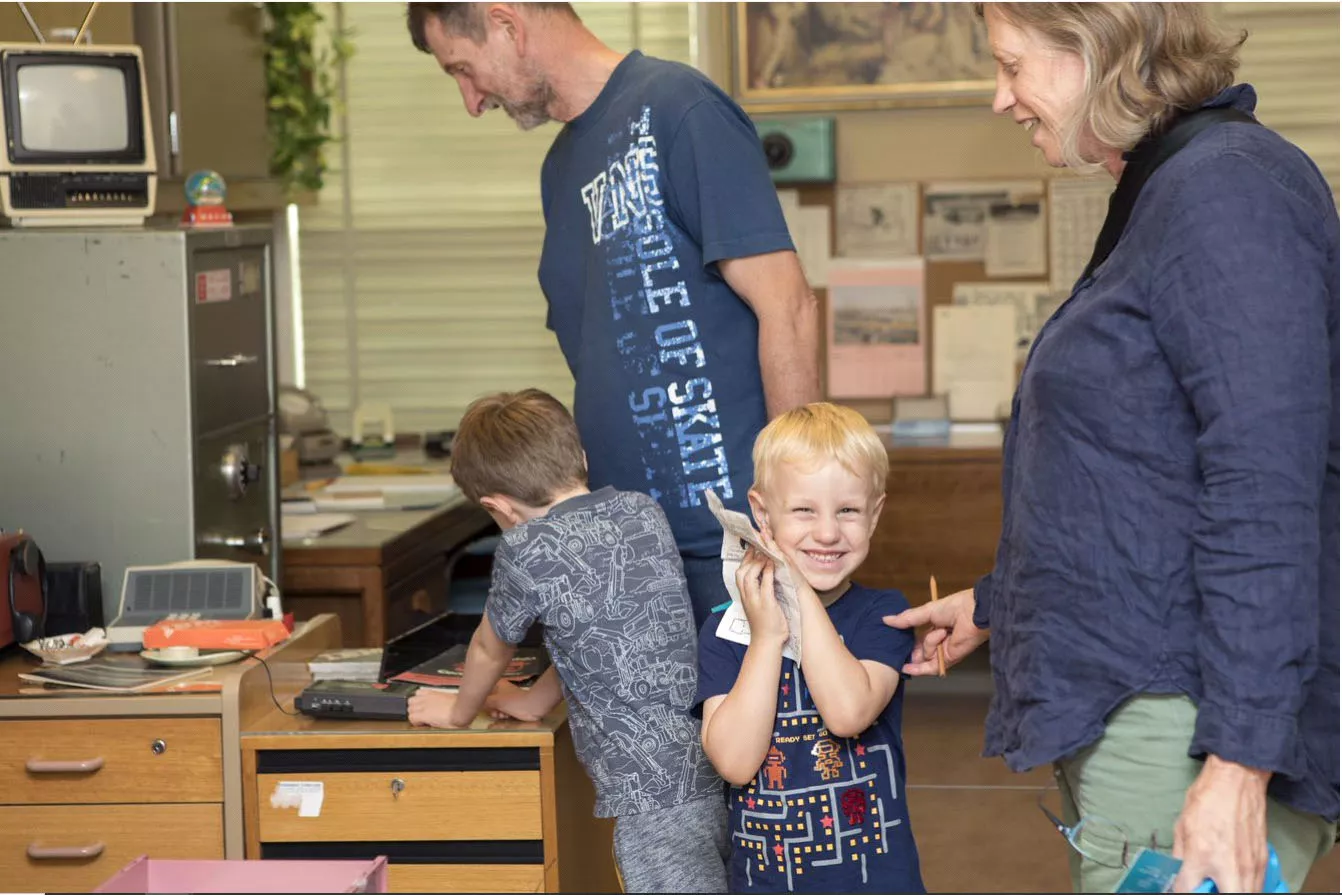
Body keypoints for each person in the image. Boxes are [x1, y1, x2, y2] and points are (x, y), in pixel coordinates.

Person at [886, 4, 1339, 893]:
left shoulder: (1224, 191)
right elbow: (1139, 475)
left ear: (1095, 45)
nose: (1000, 98)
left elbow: (1266, 487)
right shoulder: (1175, 187)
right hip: (1154, 704)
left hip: (1188, 722)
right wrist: (998, 601)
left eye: (1012, 65)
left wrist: (1239, 769)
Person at [405, 2, 821, 630]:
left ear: (506, 23)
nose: (471, 100)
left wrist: (798, 514)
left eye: (463, 69)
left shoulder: (680, 110)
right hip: (629, 560)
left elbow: (787, 307)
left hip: (737, 549)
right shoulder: (560, 169)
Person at [405, 389, 728, 893]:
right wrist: (535, 700)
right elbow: (607, 631)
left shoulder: (524, 547)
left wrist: (457, 712)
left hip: (649, 795)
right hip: (716, 753)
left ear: (497, 507)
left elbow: (490, 648)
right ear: (581, 458)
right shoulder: (642, 511)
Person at [695, 403, 924, 893]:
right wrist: (768, 638)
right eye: (804, 510)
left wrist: (795, 589)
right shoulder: (724, 630)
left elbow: (848, 713)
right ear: (761, 513)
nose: (827, 532)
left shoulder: (884, 615)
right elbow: (734, 763)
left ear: (874, 514)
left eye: (848, 510)